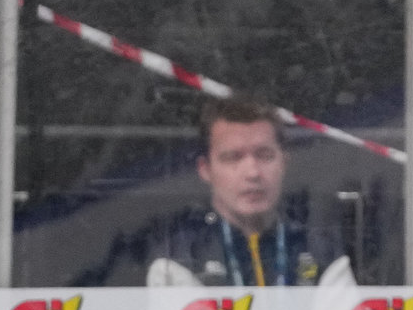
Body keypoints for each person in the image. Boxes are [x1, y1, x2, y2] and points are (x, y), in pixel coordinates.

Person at [134, 97, 351, 288]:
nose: (253, 173)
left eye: (264, 155)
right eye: (233, 158)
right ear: (205, 170)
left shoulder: (321, 250)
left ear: (284, 163)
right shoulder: (180, 256)